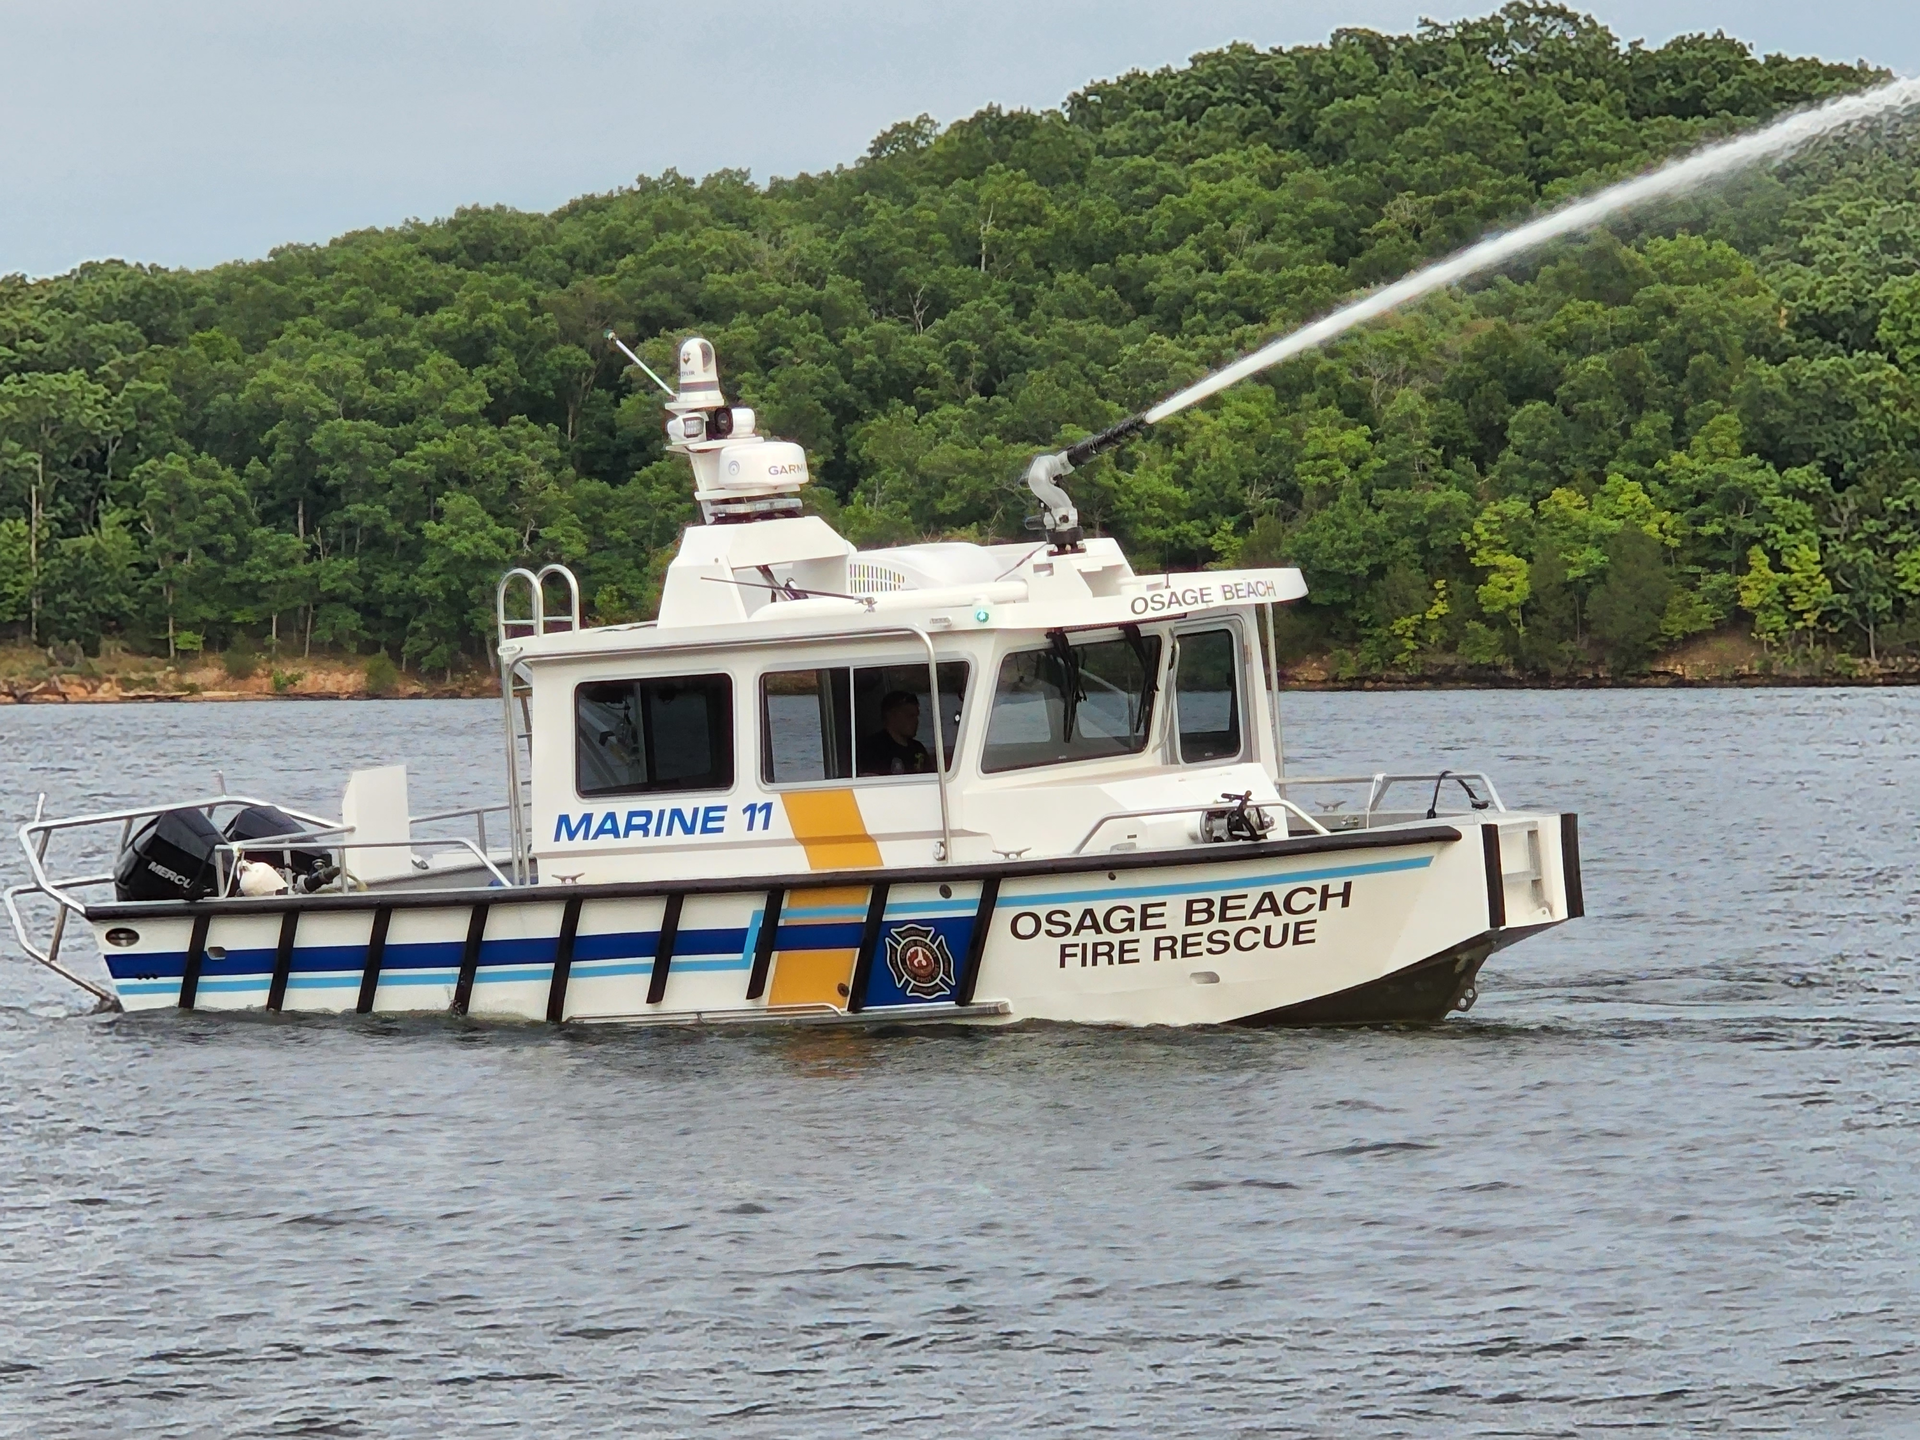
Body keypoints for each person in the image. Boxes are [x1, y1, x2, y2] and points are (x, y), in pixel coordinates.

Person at [858, 690, 930, 775]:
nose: (916, 721)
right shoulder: (872, 748)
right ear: (891, 715)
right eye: (909, 716)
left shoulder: (918, 749)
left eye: (916, 716)